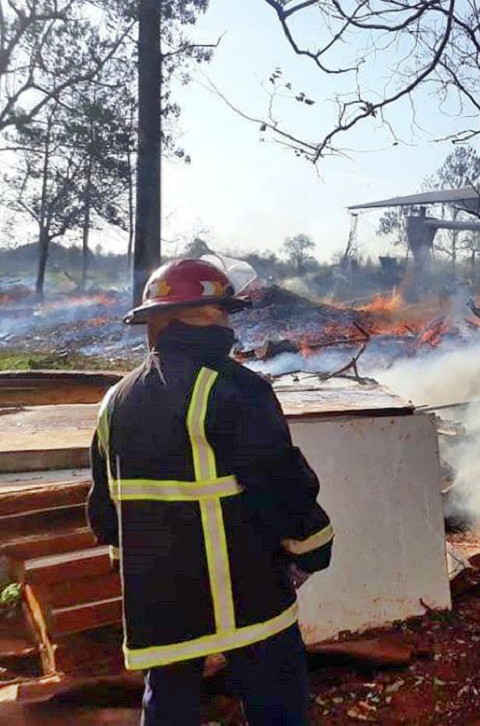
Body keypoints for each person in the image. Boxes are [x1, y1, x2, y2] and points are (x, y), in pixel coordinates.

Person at [87, 258, 334, 725]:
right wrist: (312, 552)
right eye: (220, 312)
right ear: (209, 316)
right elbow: (282, 487)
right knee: (276, 701)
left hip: (160, 599)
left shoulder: (114, 400)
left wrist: (138, 567)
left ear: (154, 323)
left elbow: (104, 511)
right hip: (246, 593)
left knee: (168, 706)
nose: (224, 323)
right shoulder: (236, 388)